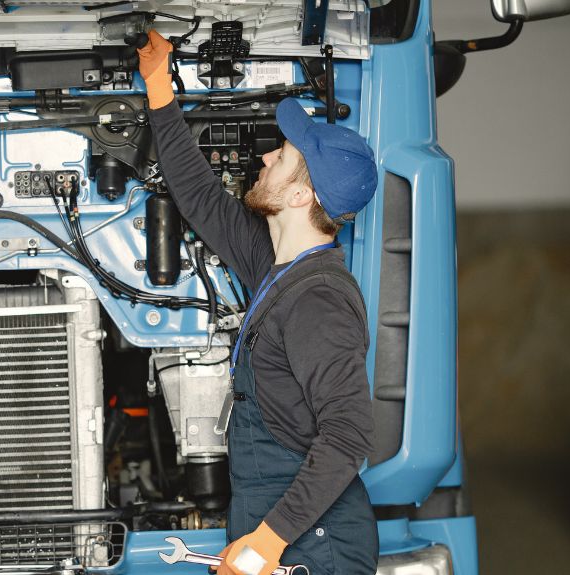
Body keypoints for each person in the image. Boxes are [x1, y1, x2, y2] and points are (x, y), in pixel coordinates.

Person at [137, 30, 380, 575]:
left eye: (283, 156)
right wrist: (158, 85)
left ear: (301, 196)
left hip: (313, 545)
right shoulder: (276, 269)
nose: (267, 154)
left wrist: (269, 541)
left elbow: (348, 434)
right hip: (277, 524)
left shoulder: (317, 302)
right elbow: (200, 197)